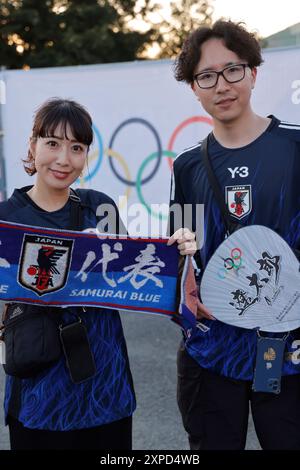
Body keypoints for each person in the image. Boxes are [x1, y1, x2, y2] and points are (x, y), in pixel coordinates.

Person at [0, 97, 196, 450]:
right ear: (32, 146)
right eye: (52, 144)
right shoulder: (6, 218)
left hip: (105, 389)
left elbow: (133, 275)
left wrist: (176, 250)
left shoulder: (99, 206)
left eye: (76, 147)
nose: (63, 159)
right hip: (37, 395)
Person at [169, 20, 300, 450]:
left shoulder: (294, 146)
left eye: (233, 70)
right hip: (214, 349)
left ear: (254, 73)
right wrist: (183, 282)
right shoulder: (187, 166)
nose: (221, 85)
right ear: (194, 88)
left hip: (289, 350)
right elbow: (180, 244)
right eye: (206, 76)